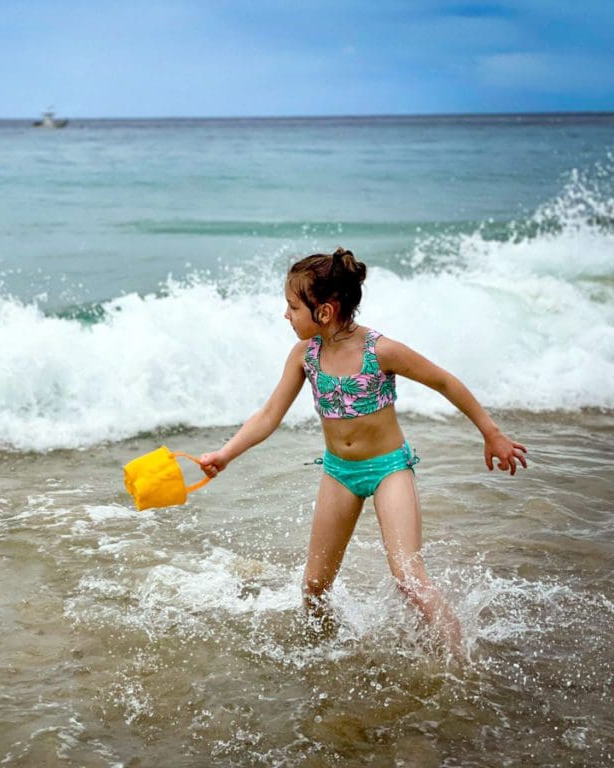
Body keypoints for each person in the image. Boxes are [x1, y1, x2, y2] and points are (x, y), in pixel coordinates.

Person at [198, 247, 527, 653]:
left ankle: (459, 663)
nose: (286, 315)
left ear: (324, 312)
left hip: (389, 469)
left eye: (292, 307)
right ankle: (323, 653)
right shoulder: (305, 356)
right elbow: (268, 415)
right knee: (315, 585)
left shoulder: (379, 350)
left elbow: (444, 382)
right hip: (339, 473)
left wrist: (491, 433)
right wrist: (225, 455)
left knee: (409, 577)